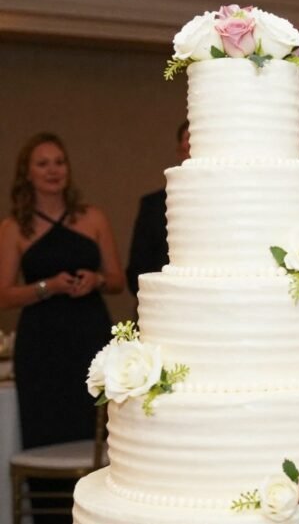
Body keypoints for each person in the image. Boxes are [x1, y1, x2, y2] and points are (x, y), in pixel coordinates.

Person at [0, 132, 125, 522]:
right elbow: (4, 295)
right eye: (43, 163)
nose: (53, 170)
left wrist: (97, 281)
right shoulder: (13, 228)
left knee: (98, 436)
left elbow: (118, 279)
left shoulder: (93, 217)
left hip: (89, 336)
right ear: (28, 173)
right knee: (48, 439)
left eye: (59, 162)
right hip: (42, 347)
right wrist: (46, 287)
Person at [125, 121, 190, 297]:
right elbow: (137, 273)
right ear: (179, 149)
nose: (195, 144)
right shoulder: (154, 205)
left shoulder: (237, 203)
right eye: (189, 138)